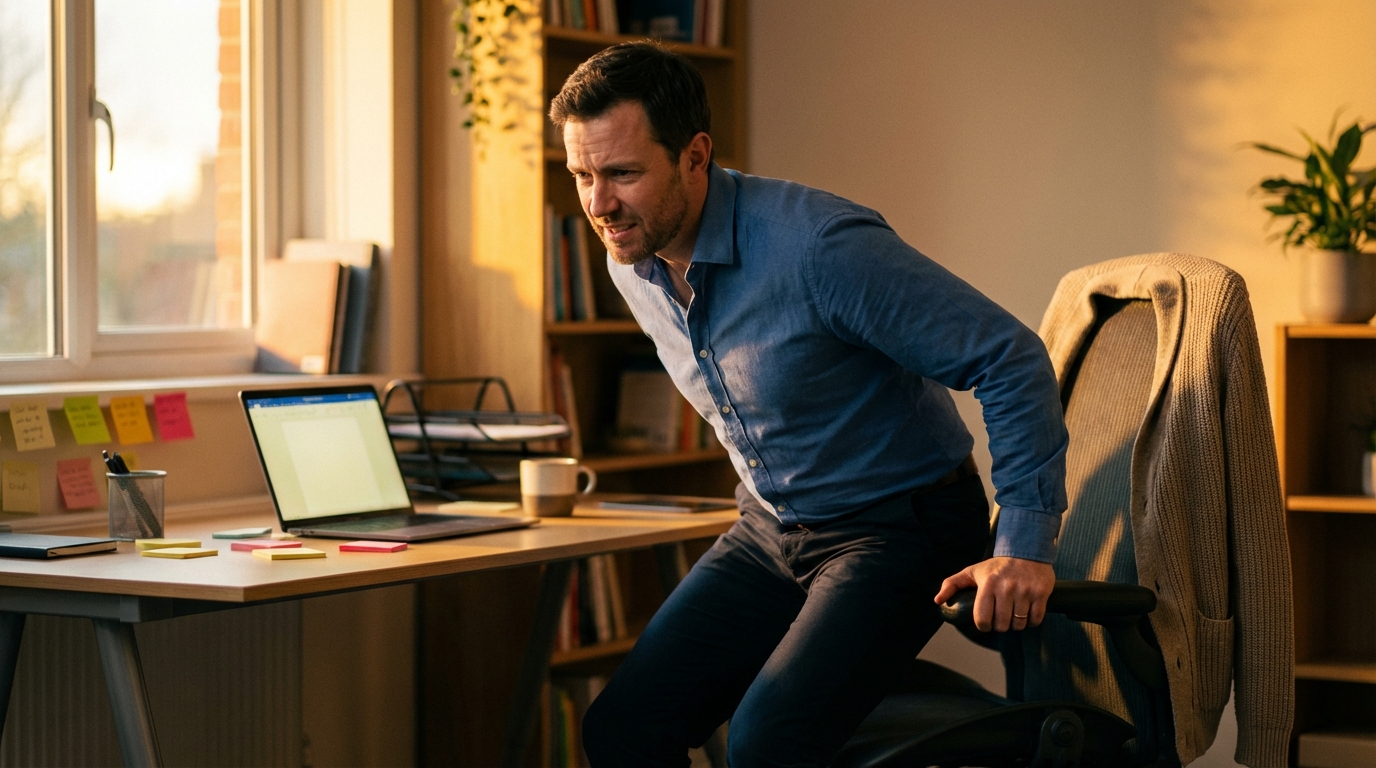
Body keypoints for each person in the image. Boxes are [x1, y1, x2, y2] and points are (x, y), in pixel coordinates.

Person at [551, 41, 1068, 767]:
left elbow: (1008, 358)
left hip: (899, 524)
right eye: (582, 175)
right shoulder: (630, 255)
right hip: (773, 527)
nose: (600, 204)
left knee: (768, 742)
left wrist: (1023, 547)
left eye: (623, 174)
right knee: (623, 727)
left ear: (695, 156)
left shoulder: (819, 247)